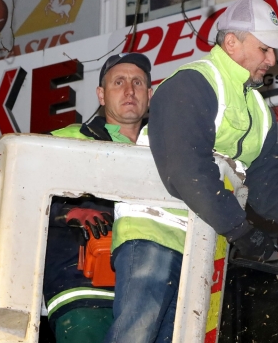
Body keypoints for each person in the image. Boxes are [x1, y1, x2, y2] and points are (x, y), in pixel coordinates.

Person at [149, 0, 278, 266]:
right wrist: (239, 228)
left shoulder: (258, 108)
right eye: (265, 49)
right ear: (232, 43)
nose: (272, 59)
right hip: (156, 236)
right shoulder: (191, 84)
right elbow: (187, 169)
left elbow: (267, 183)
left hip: (207, 241)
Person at [43, 53, 186, 343]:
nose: (129, 90)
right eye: (118, 82)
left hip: (161, 291)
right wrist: (67, 213)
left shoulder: (169, 152)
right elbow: (18, 196)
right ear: (101, 94)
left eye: (137, 82)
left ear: (150, 94)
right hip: (85, 289)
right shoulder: (69, 139)